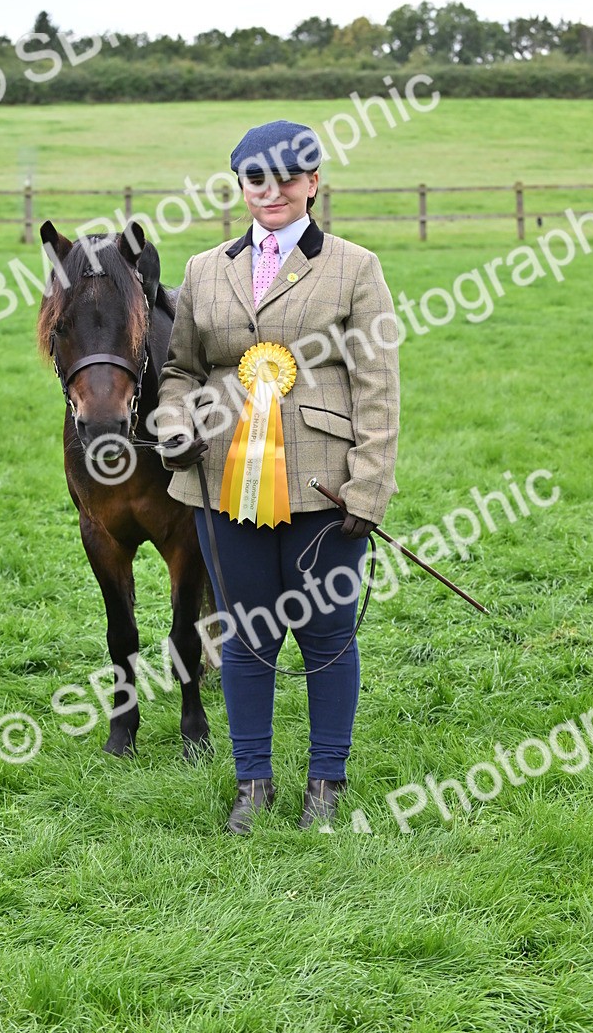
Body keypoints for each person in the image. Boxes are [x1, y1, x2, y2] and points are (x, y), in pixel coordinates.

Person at [156, 119, 399, 833]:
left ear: (313, 183)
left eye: (289, 177)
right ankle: (251, 782)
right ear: (241, 186)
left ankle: (325, 783)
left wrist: (370, 484)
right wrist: (173, 423)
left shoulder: (355, 267)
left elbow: (378, 385)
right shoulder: (205, 269)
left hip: (325, 487)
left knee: (325, 636)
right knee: (244, 637)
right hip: (220, 485)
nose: (273, 191)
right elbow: (180, 372)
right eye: (257, 179)